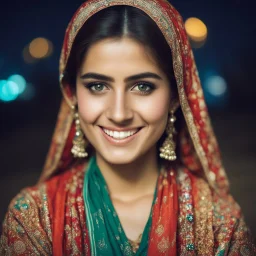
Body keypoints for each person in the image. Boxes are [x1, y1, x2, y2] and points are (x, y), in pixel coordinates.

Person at [0, 0, 255, 255]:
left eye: (142, 86)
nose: (119, 113)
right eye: (97, 86)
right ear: (73, 94)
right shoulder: (35, 219)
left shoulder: (218, 222)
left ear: (175, 97)